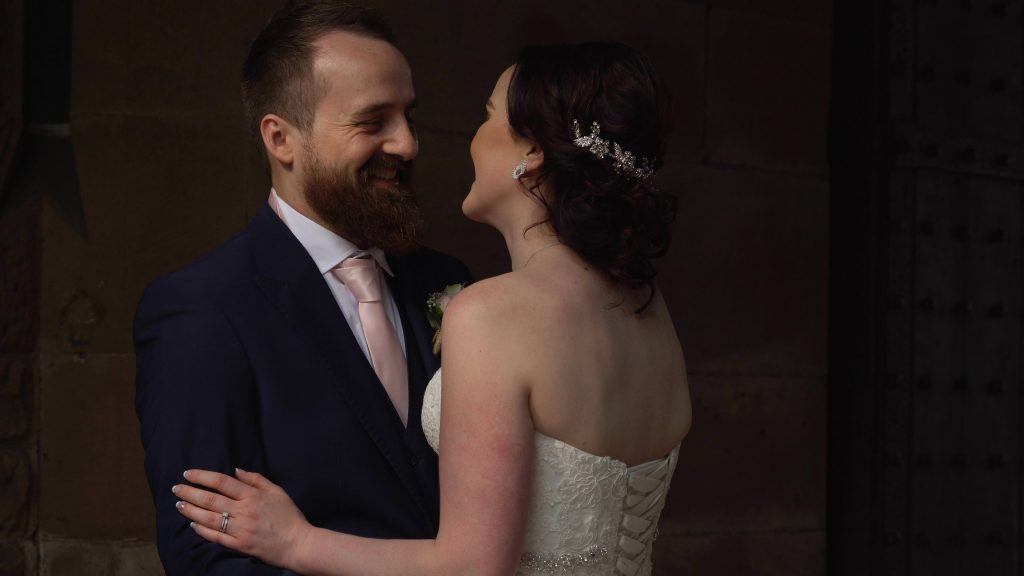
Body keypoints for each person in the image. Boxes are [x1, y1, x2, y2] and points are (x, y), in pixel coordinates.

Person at [172, 41, 691, 575]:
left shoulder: (490, 311)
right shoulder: (650, 312)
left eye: (486, 116)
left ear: (531, 154)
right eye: (374, 120)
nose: (414, 144)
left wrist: (297, 542)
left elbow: (471, 567)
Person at [133, 2, 471, 574]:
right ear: (281, 138)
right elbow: (206, 562)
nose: (408, 144)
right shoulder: (203, 311)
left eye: (409, 116)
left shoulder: (448, 284)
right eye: (373, 122)